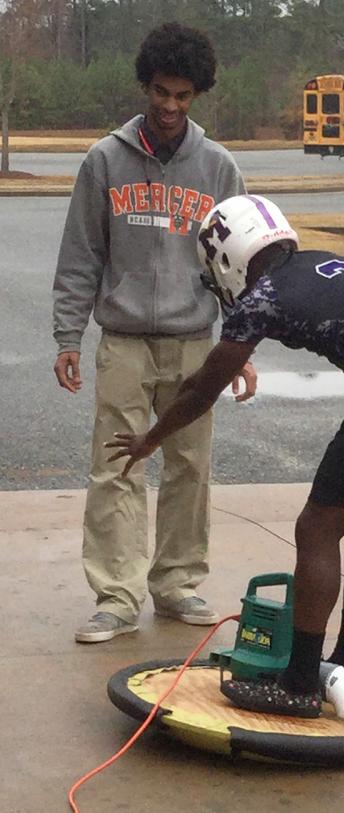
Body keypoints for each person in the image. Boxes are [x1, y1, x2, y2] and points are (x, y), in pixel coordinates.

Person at [106, 194, 344, 718]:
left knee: (316, 529)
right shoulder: (333, 261)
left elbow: (200, 390)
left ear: (227, 255)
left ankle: (298, 682)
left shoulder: (265, 296)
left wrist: (150, 439)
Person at [52, 22, 256, 644]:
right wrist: (68, 335)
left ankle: (175, 584)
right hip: (124, 342)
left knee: (189, 464)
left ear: (197, 95)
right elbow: (81, 254)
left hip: (196, 342)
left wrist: (240, 344)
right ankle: (116, 595)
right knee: (116, 466)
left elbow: (243, 261)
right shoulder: (104, 160)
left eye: (183, 96)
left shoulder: (218, 166)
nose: (169, 107)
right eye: (161, 92)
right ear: (145, 85)